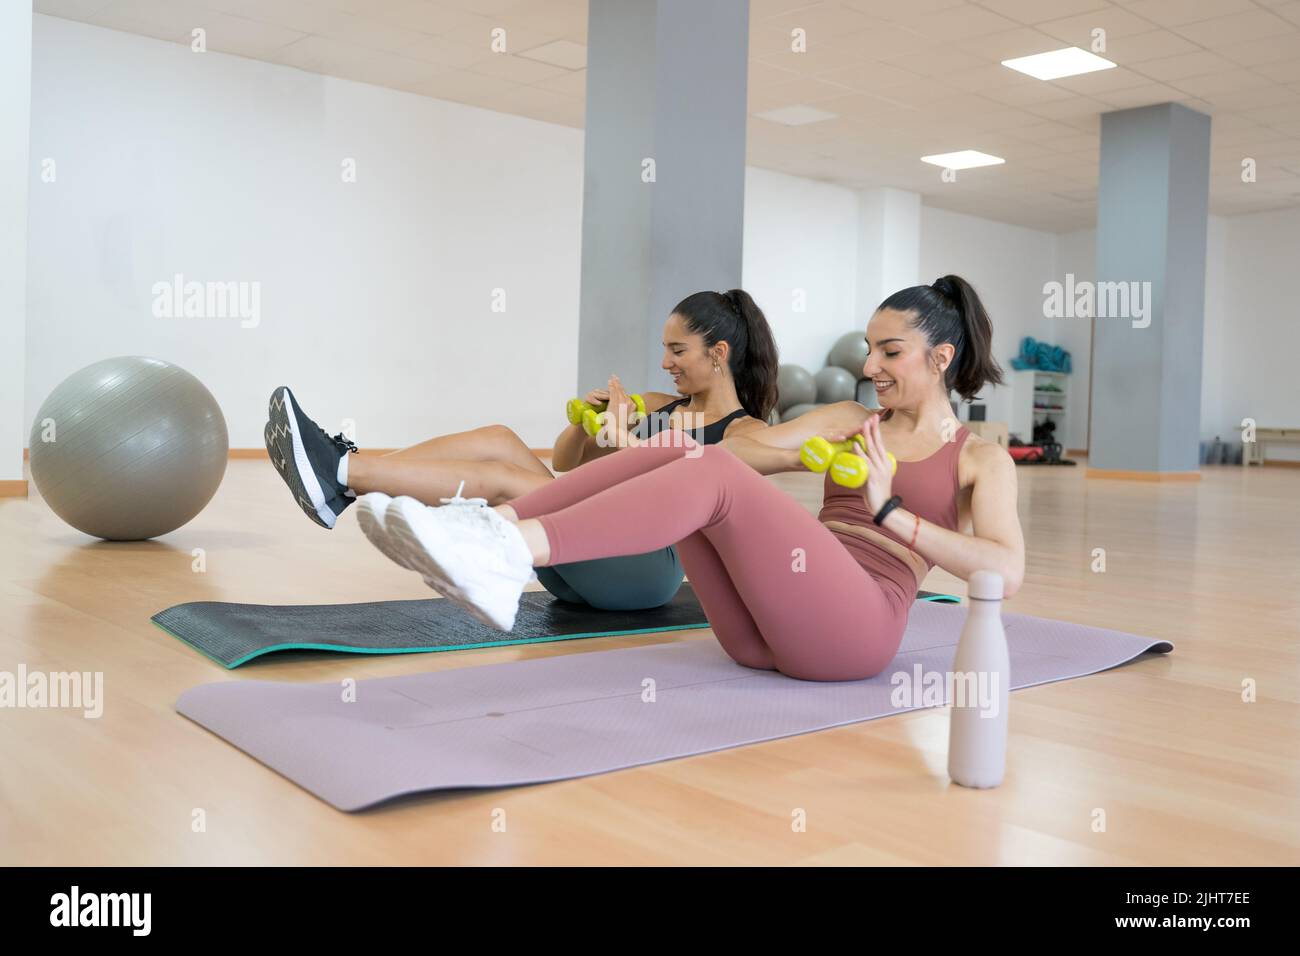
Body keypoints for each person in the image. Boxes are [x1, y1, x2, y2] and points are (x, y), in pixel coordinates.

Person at [356, 275, 1026, 682]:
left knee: (706, 465)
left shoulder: (979, 459)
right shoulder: (851, 417)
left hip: (854, 636)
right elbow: (748, 449)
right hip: (758, 636)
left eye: (891, 351)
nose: (872, 364)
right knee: (694, 455)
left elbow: (1005, 569)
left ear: (940, 357)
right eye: (870, 348)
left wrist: (890, 514)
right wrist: (641, 440)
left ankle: (503, 550)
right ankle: (489, 533)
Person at [265, 290, 778, 609]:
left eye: (677, 350)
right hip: (583, 553)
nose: (665, 361)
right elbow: (568, 466)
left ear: (718, 354)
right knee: (500, 440)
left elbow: (671, 497)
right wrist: (588, 426)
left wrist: (624, 441)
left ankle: (340, 472)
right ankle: (340, 481)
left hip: (647, 569)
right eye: (663, 348)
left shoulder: (743, 433)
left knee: (507, 481)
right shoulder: (659, 405)